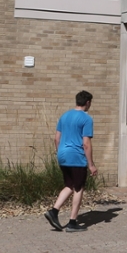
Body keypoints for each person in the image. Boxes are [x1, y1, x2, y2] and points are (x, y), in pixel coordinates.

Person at [45, 90, 97, 232]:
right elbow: (86, 144)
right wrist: (91, 165)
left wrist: (60, 152)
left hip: (62, 155)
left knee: (70, 185)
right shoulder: (86, 119)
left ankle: (53, 212)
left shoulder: (64, 116)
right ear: (87, 103)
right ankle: (72, 222)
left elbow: (56, 138)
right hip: (76, 156)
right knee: (79, 188)